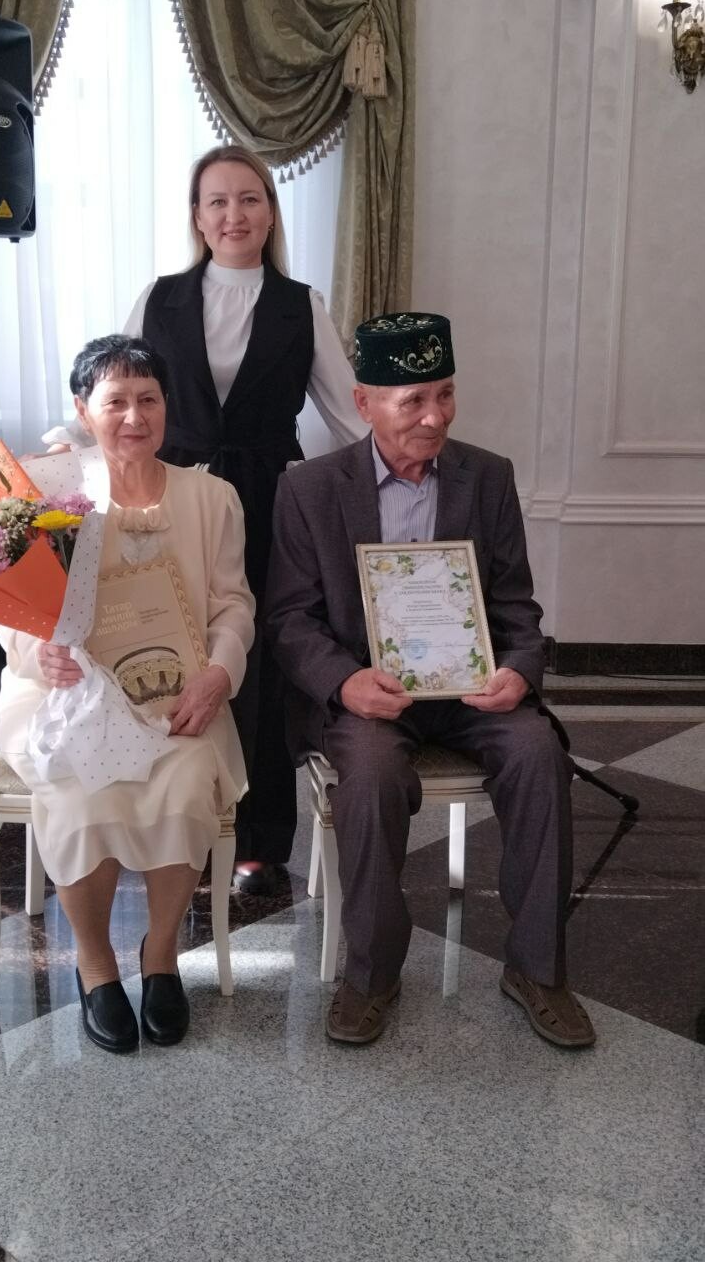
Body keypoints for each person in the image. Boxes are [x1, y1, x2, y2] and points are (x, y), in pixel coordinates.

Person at [265, 313, 596, 1050]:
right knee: (371, 773)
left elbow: (515, 605)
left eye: (445, 395)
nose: (435, 417)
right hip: (372, 694)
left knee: (539, 755)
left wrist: (518, 671)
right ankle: (371, 973)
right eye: (413, 400)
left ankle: (537, 969)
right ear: (364, 403)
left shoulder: (487, 475)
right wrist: (344, 682)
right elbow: (288, 618)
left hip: (473, 692)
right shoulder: (310, 489)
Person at [0, 335, 254, 1054]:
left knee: (186, 783)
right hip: (65, 695)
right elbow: (7, 604)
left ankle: (160, 953)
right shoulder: (50, 492)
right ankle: (96, 963)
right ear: (83, 410)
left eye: (148, 399)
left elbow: (233, 604)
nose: (134, 417)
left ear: (167, 406)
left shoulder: (211, 498)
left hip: (179, 693)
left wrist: (219, 673)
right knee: (81, 792)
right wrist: (38, 649)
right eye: (115, 402)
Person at [124, 143, 366, 895]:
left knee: (255, 663)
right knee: (170, 645)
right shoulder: (159, 298)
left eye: (249, 198)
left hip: (268, 500)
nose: (234, 214)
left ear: (269, 212)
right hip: (173, 495)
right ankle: (174, 827)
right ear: (197, 217)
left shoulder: (301, 305)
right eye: (218, 201)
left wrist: (408, 470)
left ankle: (257, 840)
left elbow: (349, 416)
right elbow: (120, 393)